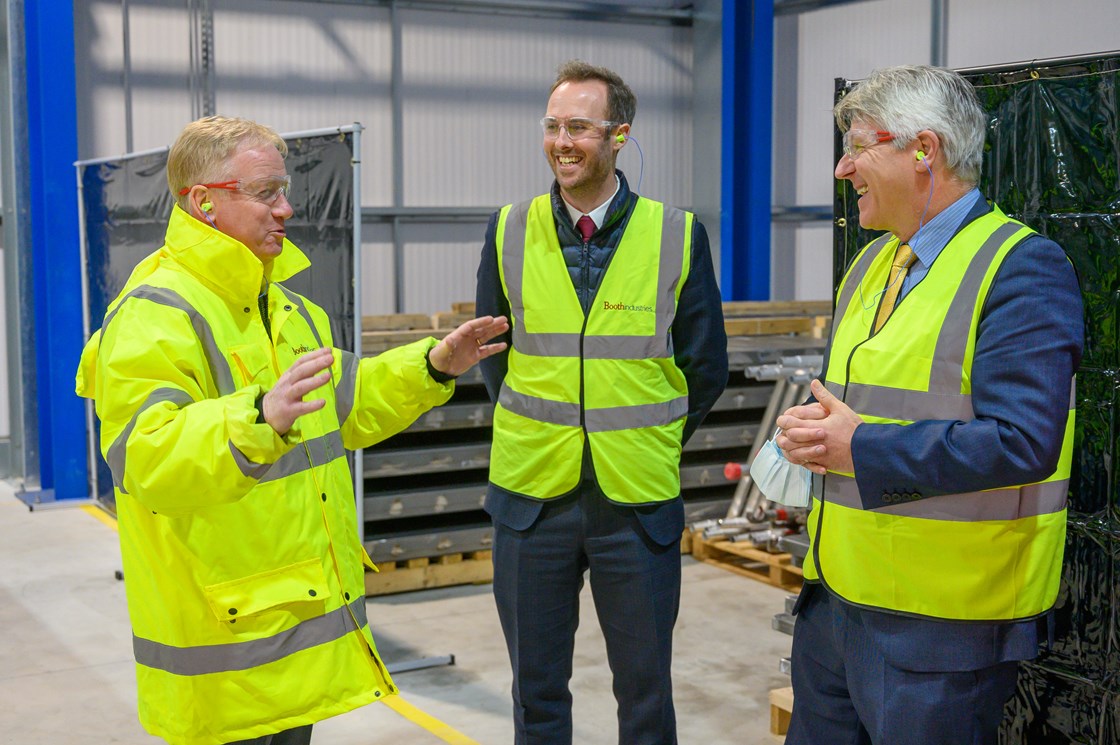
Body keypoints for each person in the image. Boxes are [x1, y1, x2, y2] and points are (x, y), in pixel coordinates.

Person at [74, 115, 508, 745]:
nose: (288, 207)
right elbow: (148, 459)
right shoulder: (154, 317)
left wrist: (433, 363)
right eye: (266, 193)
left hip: (287, 637)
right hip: (221, 652)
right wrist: (257, 418)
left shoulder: (290, 309)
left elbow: (347, 406)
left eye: (285, 190)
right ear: (204, 202)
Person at [775, 65, 1083, 745]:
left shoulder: (1021, 268)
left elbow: (1020, 440)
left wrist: (859, 446)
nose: (842, 167)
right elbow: (856, 406)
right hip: (835, 607)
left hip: (936, 631)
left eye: (859, 146)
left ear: (924, 150)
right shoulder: (872, 264)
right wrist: (813, 432)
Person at [474, 59, 728, 745]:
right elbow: (492, 360)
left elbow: (705, 367)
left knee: (645, 694)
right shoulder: (508, 230)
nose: (562, 141)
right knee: (536, 695)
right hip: (531, 502)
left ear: (619, 135)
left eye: (579, 127)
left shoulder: (676, 234)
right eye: (553, 126)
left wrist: (646, 435)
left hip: (634, 505)